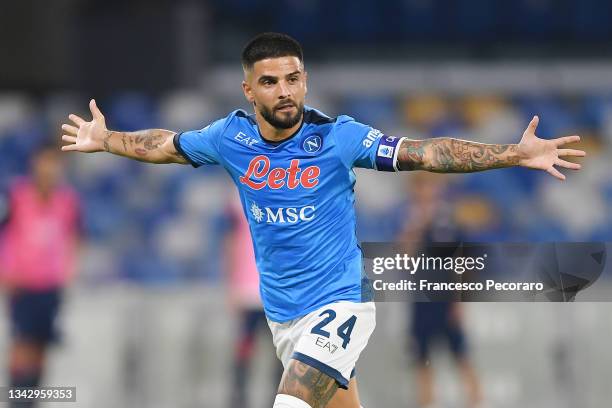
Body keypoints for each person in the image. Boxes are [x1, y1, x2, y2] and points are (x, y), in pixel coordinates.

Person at [60, 32, 585, 408]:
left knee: (290, 404)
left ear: (305, 81)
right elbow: (166, 146)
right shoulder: (230, 138)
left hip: (341, 303)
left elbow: (426, 153)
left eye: (293, 79)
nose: (284, 91)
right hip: (282, 314)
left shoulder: (339, 138)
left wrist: (513, 155)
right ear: (249, 91)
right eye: (270, 82)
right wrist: (105, 139)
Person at [0, 144, 81, 407]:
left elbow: (74, 238)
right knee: (23, 345)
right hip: (23, 284)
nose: (49, 168)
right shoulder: (16, 196)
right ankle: (17, 401)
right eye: (44, 161)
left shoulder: (68, 200)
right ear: (34, 164)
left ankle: (31, 401)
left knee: (42, 347)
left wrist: (69, 272)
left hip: (51, 285)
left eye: (54, 162)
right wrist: (6, 271)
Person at [399, 173, 482, 408]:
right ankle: (427, 402)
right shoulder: (409, 219)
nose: (425, 192)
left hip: (446, 298)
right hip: (421, 299)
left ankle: (477, 401)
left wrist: (460, 300)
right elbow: (404, 258)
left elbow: (463, 262)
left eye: (429, 186)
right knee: (421, 358)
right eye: (420, 187)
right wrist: (417, 225)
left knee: (460, 354)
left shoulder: (449, 221)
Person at [224, 192, 283, 408]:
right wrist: (232, 284)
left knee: (280, 352)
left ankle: (277, 401)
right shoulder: (237, 194)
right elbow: (229, 242)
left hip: (274, 290)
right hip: (249, 290)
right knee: (245, 349)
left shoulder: (284, 187)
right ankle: (238, 399)